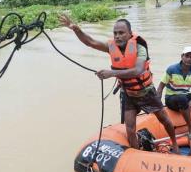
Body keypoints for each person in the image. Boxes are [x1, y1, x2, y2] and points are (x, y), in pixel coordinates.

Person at [58, 14, 179, 153]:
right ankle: (136, 153)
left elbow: (138, 70)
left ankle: (174, 143)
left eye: (121, 33)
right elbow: (90, 42)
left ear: (129, 34)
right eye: (115, 33)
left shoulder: (140, 47)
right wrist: (76, 29)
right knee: (130, 128)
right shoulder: (111, 47)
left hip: (146, 92)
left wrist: (112, 73)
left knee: (164, 119)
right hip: (128, 94)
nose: (117, 36)